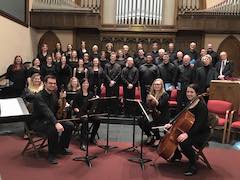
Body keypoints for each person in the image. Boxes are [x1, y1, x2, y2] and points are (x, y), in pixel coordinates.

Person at [164, 84, 210, 176]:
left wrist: (187, 134)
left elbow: (199, 125)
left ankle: (193, 164)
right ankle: (177, 154)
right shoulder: (190, 102)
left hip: (200, 133)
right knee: (170, 132)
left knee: (183, 142)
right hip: (190, 129)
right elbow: (182, 117)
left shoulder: (201, 106)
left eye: (191, 92)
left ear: (197, 93)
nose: (189, 94)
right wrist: (171, 124)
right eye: (187, 92)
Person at [31, 75, 74, 164]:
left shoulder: (53, 95)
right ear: (45, 83)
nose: (52, 85)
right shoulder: (39, 96)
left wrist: (62, 100)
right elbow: (46, 111)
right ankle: (51, 154)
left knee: (69, 125)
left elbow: (56, 110)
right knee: (53, 129)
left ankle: (61, 148)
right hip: (39, 122)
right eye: (50, 83)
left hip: (50, 120)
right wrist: (56, 123)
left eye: (54, 83)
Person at [138, 78, 170, 146]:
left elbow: (160, 105)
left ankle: (157, 138)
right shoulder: (152, 93)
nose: (156, 86)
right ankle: (149, 135)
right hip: (153, 113)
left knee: (153, 122)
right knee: (141, 120)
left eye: (158, 84)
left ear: (161, 85)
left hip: (162, 115)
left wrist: (153, 98)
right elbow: (148, 105)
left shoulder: (165, 94)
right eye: (155, 84)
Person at [72, 78, 101, 150]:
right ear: (81, 84)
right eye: (84, 83)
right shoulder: (78, 94)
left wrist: (95, 101)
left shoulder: (90, 93)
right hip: (80, 114)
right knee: (85, 121)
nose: (86, 85)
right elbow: (74, 106)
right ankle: (83, 142)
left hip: (88, 113)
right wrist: (79, 111)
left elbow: (92, 106)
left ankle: (92, 138)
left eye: (87, 83)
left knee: (98, 120)